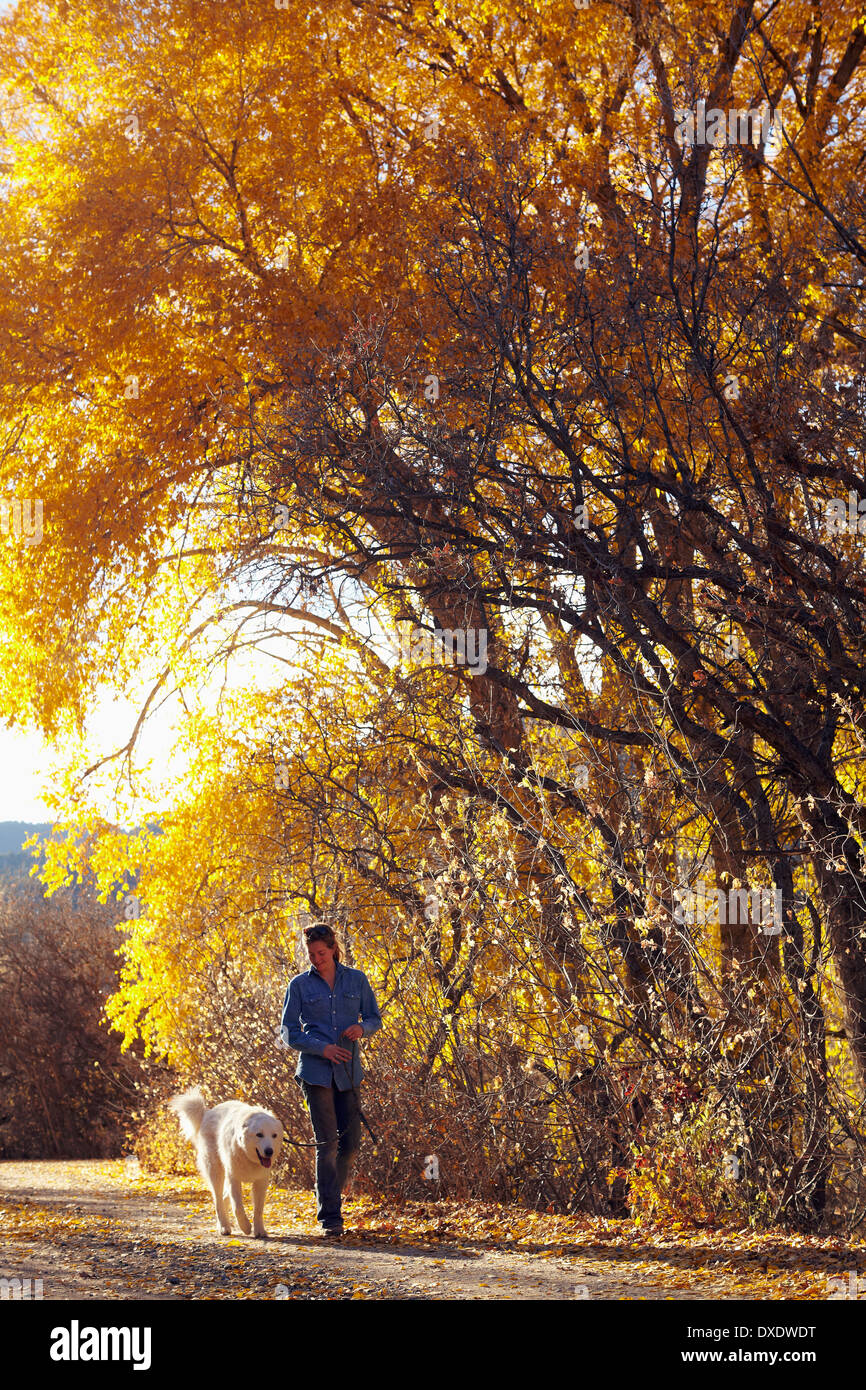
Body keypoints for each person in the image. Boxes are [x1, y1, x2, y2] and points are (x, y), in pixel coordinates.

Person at [280, 922, 382, 1236]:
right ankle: (331, 1218)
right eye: (311, 954)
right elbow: (288, 1033)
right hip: (315, 1073)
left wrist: (361, 1029)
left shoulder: (357, 979)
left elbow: (375, 1018)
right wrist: (321, 1049)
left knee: (350, 1143)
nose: (316, 959)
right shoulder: (299, 985)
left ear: (333, 949)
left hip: (349, 1073)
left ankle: (331, 1195)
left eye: (321, 953)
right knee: (327, 1143)